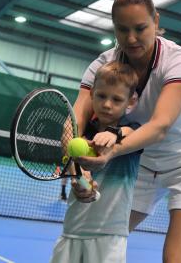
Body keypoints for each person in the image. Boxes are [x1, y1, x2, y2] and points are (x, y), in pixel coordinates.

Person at [73, 0, 181, 263]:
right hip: (142, 166)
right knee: (98, 240)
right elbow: (75, 122)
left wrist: (113, 150)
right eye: (122, 29)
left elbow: (160, 125)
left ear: (156, 20)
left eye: (140, 28)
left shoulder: (177, 61)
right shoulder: (103, 66)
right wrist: (78, 170)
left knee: (175, 258)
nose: (131, 38)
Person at [50, 61, 143, 263]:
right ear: (91, 94)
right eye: (101, 96)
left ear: (131, 102)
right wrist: (79, 182)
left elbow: (132, 133)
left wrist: (115, 133)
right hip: (72, 231)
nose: (107, 104)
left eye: (117, 99)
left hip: (109, 236)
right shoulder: (80, 137)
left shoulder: (132, 131)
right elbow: (72, 167)